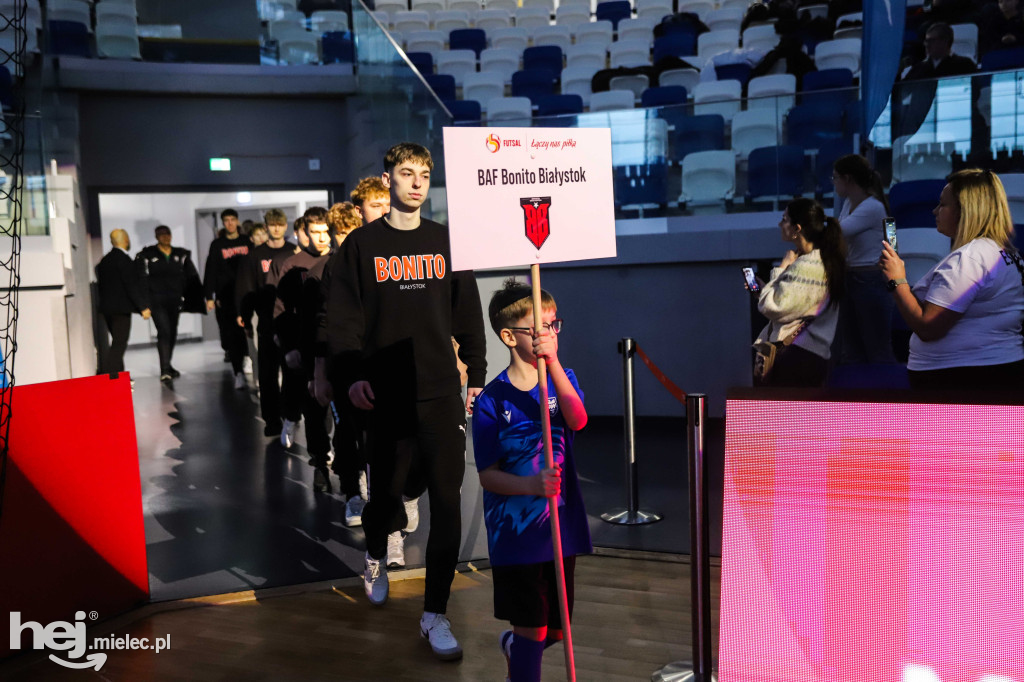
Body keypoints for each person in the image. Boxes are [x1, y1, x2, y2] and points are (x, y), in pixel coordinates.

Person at [323, 142, 487, 659]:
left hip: (441, 392)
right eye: (406, 173)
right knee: (387, 497)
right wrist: (349, 376)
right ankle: (374, 553)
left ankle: (435, 613)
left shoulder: (447, 242)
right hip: (385, 395)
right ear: (388, 178)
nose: (416, 183)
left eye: (423, 175)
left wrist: (477, 378)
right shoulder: (362, 246)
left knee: (445, 503)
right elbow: (344, 321)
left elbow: (468, 315)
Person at [472, 279, 591, 682]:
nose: (548, 335)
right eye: (537, 328)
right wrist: (530, 485)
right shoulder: (491, 400)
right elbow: (488, 475)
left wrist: (553, 363)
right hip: (518, 534)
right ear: (508, 336)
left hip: (560, 527)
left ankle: (513, 647)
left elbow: (577, 419)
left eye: (554, 325)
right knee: (532, 630)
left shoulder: (563, 378)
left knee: (555, 631)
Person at [880, 169, 1024, 389]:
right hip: (986, 372)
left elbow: (928, 328)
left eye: (943, 205)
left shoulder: (970, 258)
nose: (935, 210)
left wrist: (897, 280)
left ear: (966, 211)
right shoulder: (1004, 252)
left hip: (961, 381)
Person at [273, 210, 343, 493]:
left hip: (340, 349)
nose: (322, 237)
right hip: (308, 350)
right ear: (305, 233)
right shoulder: (294, 266)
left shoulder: (343, 261)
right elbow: (282, 311)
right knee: (315, 411)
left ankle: (348, 471)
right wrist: (290, 347)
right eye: (316, 232)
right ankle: (319, 463)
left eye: (326, 231)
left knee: (344, 419)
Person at [753, 198, 847, 387]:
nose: (780, 224)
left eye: (784, 219)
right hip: (810, 357)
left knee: (784, 415)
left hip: (796, 358)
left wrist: (781, 268)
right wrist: (765, 291)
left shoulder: (806, 266)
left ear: (797, 229)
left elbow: (774, 306)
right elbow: (794, 306)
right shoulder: (823, 261)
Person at [236, 208, 298, 439]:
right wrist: (244, 315)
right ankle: (272, 419)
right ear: (266, 226)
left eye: (279, 224)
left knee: (291, 372)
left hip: (289, 321)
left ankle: (290, 413)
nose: (275, 228)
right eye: (271, 225)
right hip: (266, 321)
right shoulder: (255, 255)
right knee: (268, 373)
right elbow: (247, 288)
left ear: (285, 226)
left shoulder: (293, 252)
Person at [832, 154, 897, 364]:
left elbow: (838, 231)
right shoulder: (848, 203)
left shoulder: (873, 207)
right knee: (852, 350)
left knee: (876, 348)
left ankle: (887, 393)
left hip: (870, 281)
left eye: (835, 178)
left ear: (848, 179)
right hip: (852, 279)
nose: (833, 183)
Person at [136, 225, 203, 382]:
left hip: (174, 300)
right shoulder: (148, 255)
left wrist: (196, 298)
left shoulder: (180, 254)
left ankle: (168, 365)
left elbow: (191, 277)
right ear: (156, 236)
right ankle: (164, 369)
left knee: (172, 332)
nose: (165, 237)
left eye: (167, 234)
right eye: (161, 234)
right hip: (156, 301)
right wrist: (144, 305)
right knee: (164, 331)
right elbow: (142, 280)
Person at [204, 208, 252, 390]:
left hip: (246, 295)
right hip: (226, 296)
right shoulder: (217, 245)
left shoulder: (247, 242)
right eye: (227, 220)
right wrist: (209, 296)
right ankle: (237, 372)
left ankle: (247, 359)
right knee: (231, 335)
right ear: (223, 223)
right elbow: (211, 270)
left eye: (233, 219)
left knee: (246, 331)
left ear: (237, 221)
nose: (230, 223)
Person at [96, 229, 150, 375]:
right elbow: (130, 285)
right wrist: (143, 307)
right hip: (121, 309)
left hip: (107, 308)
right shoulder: (124, 260)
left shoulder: (105, 260)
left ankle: (118, 377)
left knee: (117, 342)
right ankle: (109, 378)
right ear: (125, 240)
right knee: (119, 344)